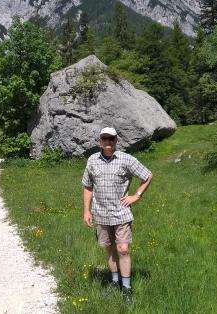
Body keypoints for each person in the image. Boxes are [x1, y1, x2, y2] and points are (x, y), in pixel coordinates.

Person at [81, 127, 153, 305]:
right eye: (104, 138)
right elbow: (87, 186)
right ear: (100, 141)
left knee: (123, 249)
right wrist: (86, 210)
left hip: (121, 213)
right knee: (108, 249)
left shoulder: (126, 159)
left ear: (116, 141)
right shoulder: (92, 161)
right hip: (101, 213)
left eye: (111, 139)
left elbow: (147, 175)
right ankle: (115, 282)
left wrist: (136, 195)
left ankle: (127, 288)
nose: (108, 142)